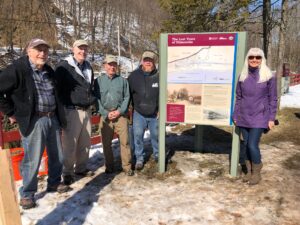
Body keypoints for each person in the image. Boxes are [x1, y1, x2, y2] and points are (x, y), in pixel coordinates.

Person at [0, 38, 69, 209]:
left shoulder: (49, 71)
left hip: (52, 117)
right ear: (28, 51)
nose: (42, 53)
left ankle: (53, 182)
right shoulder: (18, 68)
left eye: (45, 50)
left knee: (57, 155)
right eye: (38, 49)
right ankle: (27, 193)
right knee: (32, 159)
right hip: (34, 119)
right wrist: (11, 112)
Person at [233, 47, 277, 185]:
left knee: (252, 145)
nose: (254, 60)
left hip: (260, 116)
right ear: (247, 59)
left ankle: (256, 172)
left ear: (262, 59)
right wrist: (236, 114)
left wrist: (271, 118)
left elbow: (273, 99)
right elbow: (239, 97)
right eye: (251, 57)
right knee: (246, 144)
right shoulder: (242, 76)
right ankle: (249, 170)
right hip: (244, 116)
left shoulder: (268, 76)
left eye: (258, 57)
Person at [54, 40, 96, 185]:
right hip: (71, 110)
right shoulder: (64, 66)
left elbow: (90, 87)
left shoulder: (88, 66)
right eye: (80, 48)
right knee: (70, 144)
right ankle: (67, 172)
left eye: (85, 48)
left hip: (86, 110)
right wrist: (60, 112)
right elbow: (57, 91)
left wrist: (93, 99)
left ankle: (81, 168)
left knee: (85, 142)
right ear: (73, 49)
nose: (82, 51)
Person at [94, 55, 134, 176]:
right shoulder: (98, 81)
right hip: (105, 115)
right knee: (106, 143)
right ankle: (109, 166)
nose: (112, 67)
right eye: (109, 64)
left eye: (114, 64)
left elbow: (127, 97)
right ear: (105, 66)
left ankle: (127, 167)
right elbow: (96, 99)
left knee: (125, 142)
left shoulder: (122, 81)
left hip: (120, 115)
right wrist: (105, 112)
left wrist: (120, 111)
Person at [128, 50, 159, 170]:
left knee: (156, 135)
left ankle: (157, 154)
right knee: (138, 135)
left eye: (150, 60)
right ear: (142, 61)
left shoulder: (159, 76)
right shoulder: (133, 76)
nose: (148, 63)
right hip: (138, 113)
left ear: (154, 62)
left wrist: (161, 109)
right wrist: (129, 109)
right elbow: (128, 94)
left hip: (154, 114)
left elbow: (164, 94)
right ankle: (139, 158)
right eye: (146, 60)